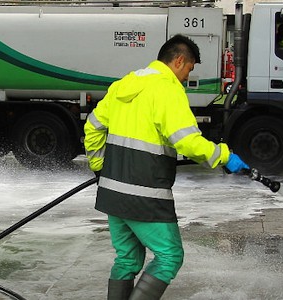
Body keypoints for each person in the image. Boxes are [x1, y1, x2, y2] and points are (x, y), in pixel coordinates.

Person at [83, 34, 250, 300]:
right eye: (189, 69)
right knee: (170, 257)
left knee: (127, 260)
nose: (186, 77)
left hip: (112, 191)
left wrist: (99, 165)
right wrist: (223, 156)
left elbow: (92, 126)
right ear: (179, 60)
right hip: (145, 194)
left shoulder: (124, 84)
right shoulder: (167, 89)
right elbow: (186, 141)